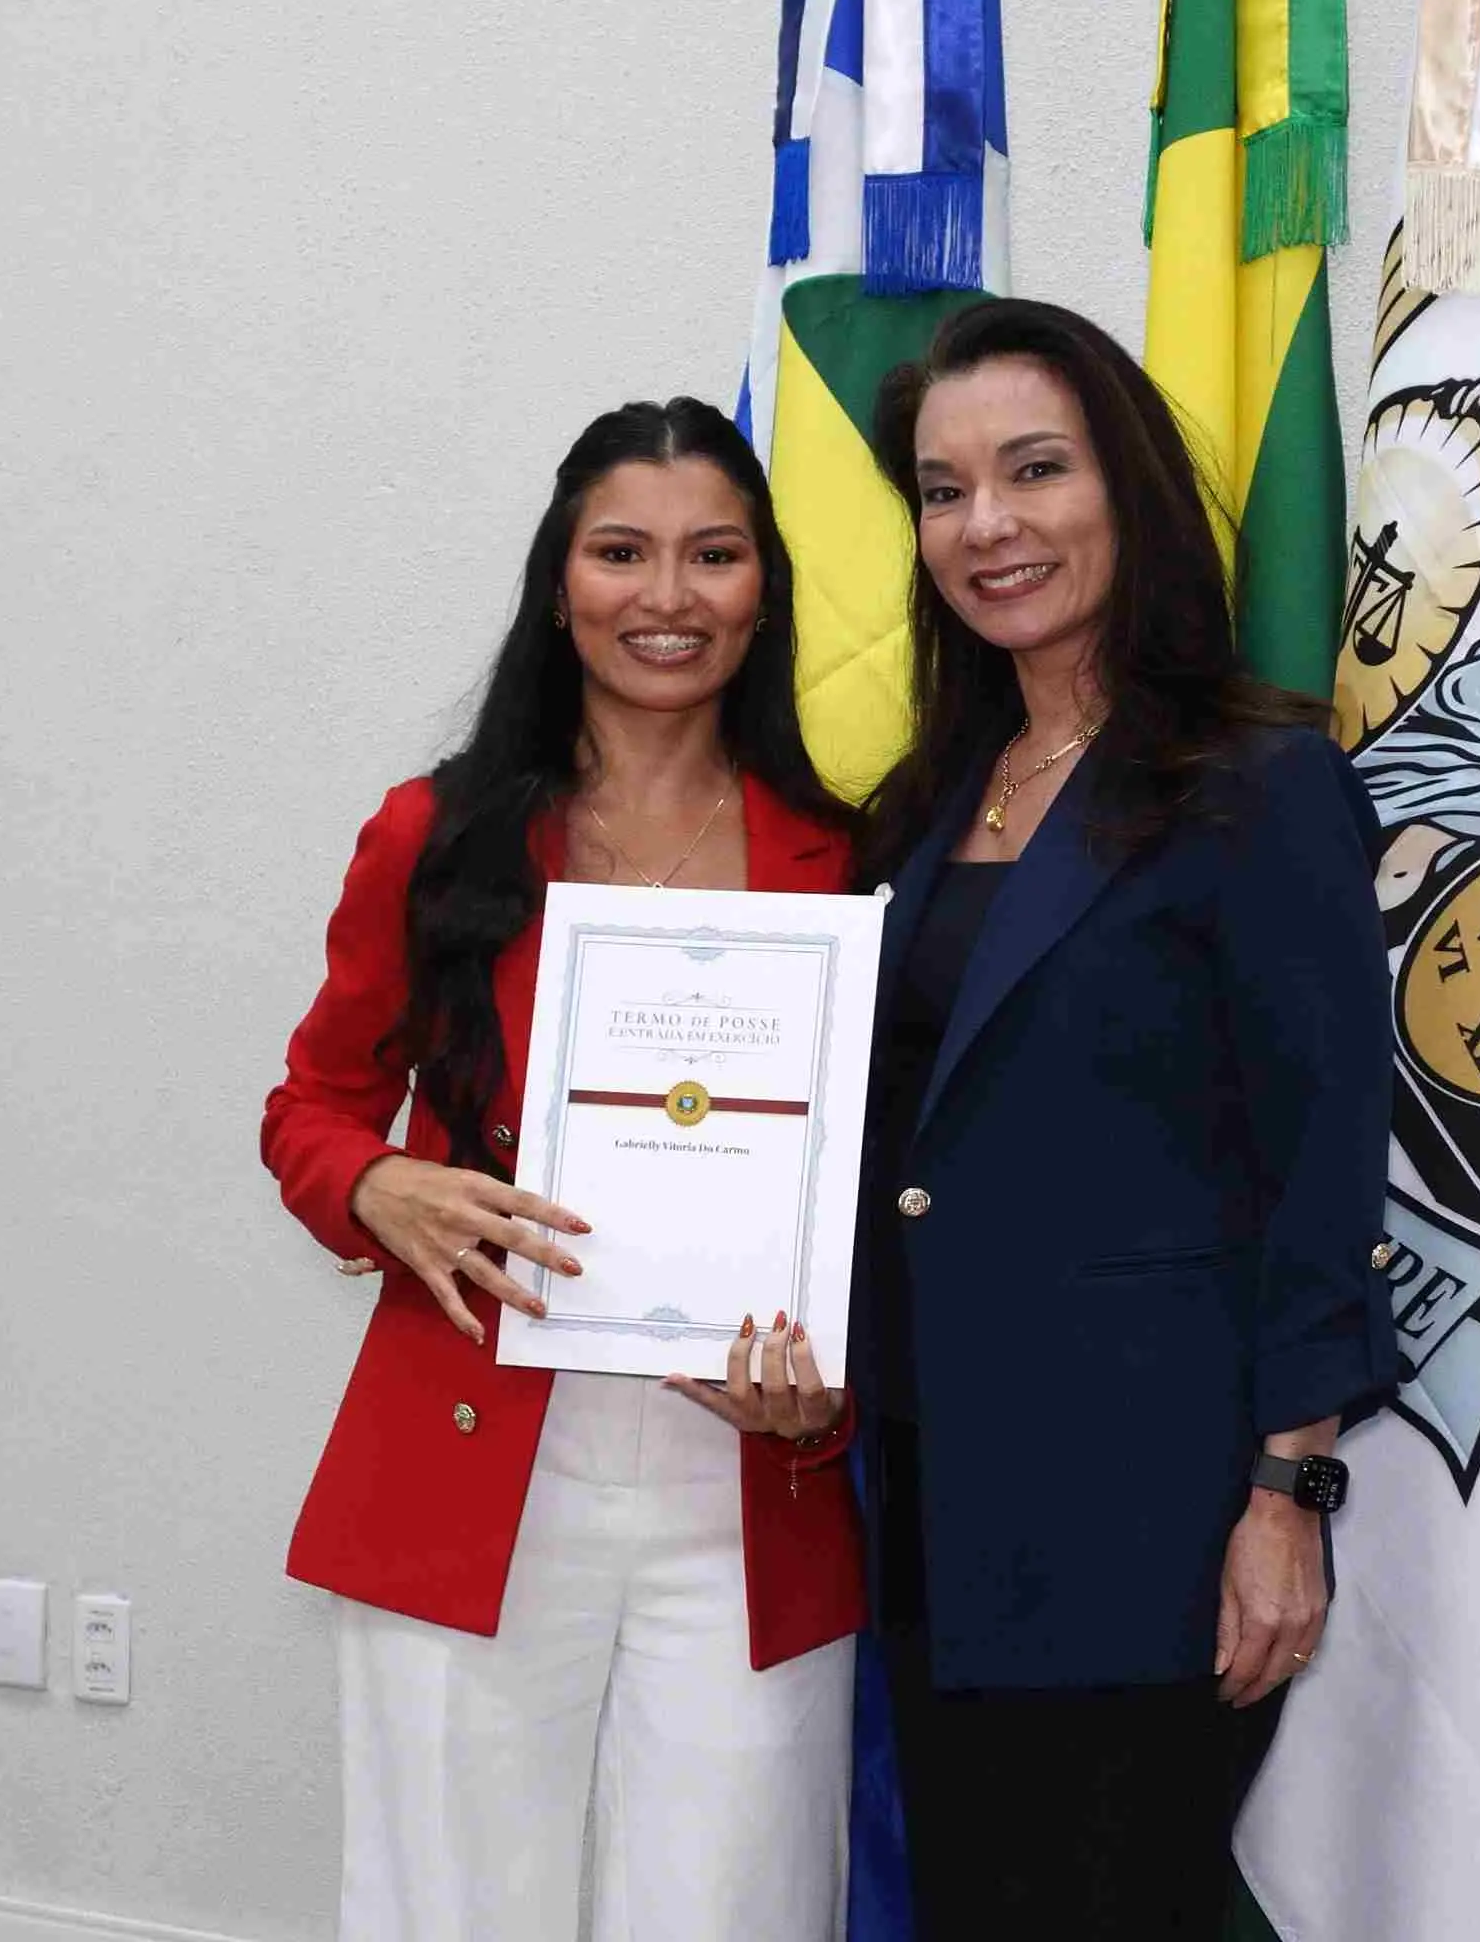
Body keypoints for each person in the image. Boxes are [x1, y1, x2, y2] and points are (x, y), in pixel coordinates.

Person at [260, 398, 867, 1942]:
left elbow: (890, 1191)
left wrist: (833, 1388)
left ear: (763, 589)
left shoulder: (849, 856)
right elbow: (314, 1107)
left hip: (750, 1480)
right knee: (451, 1910)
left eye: (713, 556)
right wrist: (377, 1189)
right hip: (472, 1459)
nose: (667, 597)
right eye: (623, 553)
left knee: (733, 1911)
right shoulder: (434, 835)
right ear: (560, 584)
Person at [847, 300, 1399, 1939]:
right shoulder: (932, 797)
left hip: (1147, 1517)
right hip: (937, 1495)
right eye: (944, 491)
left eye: (1034, 471)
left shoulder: (1257, 783)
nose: (987, 525)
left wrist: (1287, 1497)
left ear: (1127, 490)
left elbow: (1323, 1157)